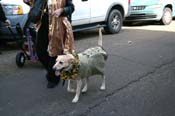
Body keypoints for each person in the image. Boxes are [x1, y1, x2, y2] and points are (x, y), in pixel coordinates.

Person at [24, 0, 75, 88]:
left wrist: (62, 10)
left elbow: (71, 8)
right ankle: (55, 70)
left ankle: (53, 78)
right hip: (42, 24)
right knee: (40, 52)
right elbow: (32, 2)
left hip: (58, 24)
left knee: (54, 51)